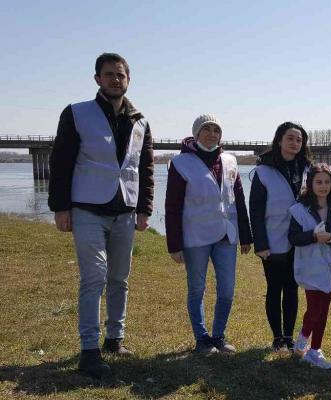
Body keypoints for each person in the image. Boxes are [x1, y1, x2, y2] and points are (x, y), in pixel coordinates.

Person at [47, 53, 154, 378]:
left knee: (119, 279)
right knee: (94, 277)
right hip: (87, 210)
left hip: (125, 212)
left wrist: (144, 209)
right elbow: (61, 162)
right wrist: (60, 207)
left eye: (120, 75)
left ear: (128, 79)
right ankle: (89, 351)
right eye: (109, 74)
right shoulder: (77, 113)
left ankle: (114, 339)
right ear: (97, 79)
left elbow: (145, 168)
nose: (115, 80)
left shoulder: (140, 121)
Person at [165, 114, 253, 354]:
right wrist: (174, 244)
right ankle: (202, 338)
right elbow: (172, 206)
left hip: (226, 234)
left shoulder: (230, 161)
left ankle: (218, 336)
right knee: (197, 289)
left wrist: (246, 236)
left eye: (216, 130)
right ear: (196, 133)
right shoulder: (181, 163)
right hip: (196, 237)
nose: (212, 134)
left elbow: (239, 200)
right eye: (207, 129)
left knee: (227, 290)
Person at [249, 122, 312, 351]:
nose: (295, 143)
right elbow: (255, 210)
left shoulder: (307, 169)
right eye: (290, 138)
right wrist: (260, 244)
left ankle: (289, 336)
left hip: (299, 240)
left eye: (299, 140)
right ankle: (277, 338)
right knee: (275, 289)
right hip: (273, 240)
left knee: (292, 289)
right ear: (279, 140)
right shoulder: (263, 171)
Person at [288, 164, 331, 369]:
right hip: (310, 268)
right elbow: (294, 238)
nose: (323, 186)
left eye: (327, 182)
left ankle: (315, 350)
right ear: (310, 184)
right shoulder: (299, 210)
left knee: (323, 311)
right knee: (314, 309)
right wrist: (314, 236)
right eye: (319, 182)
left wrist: (330, 238)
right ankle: (302, 341)